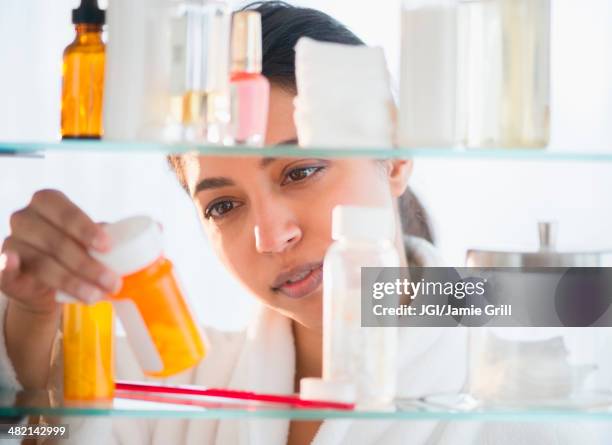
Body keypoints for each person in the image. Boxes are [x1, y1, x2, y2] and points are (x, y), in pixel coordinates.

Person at [0, 2, 607, 444]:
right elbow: (42, 423)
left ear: (394, 155)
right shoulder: (179, 387)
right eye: (222, 205)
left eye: (302, 170)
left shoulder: (529, 393)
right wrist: (30, 317)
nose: (271, 235)